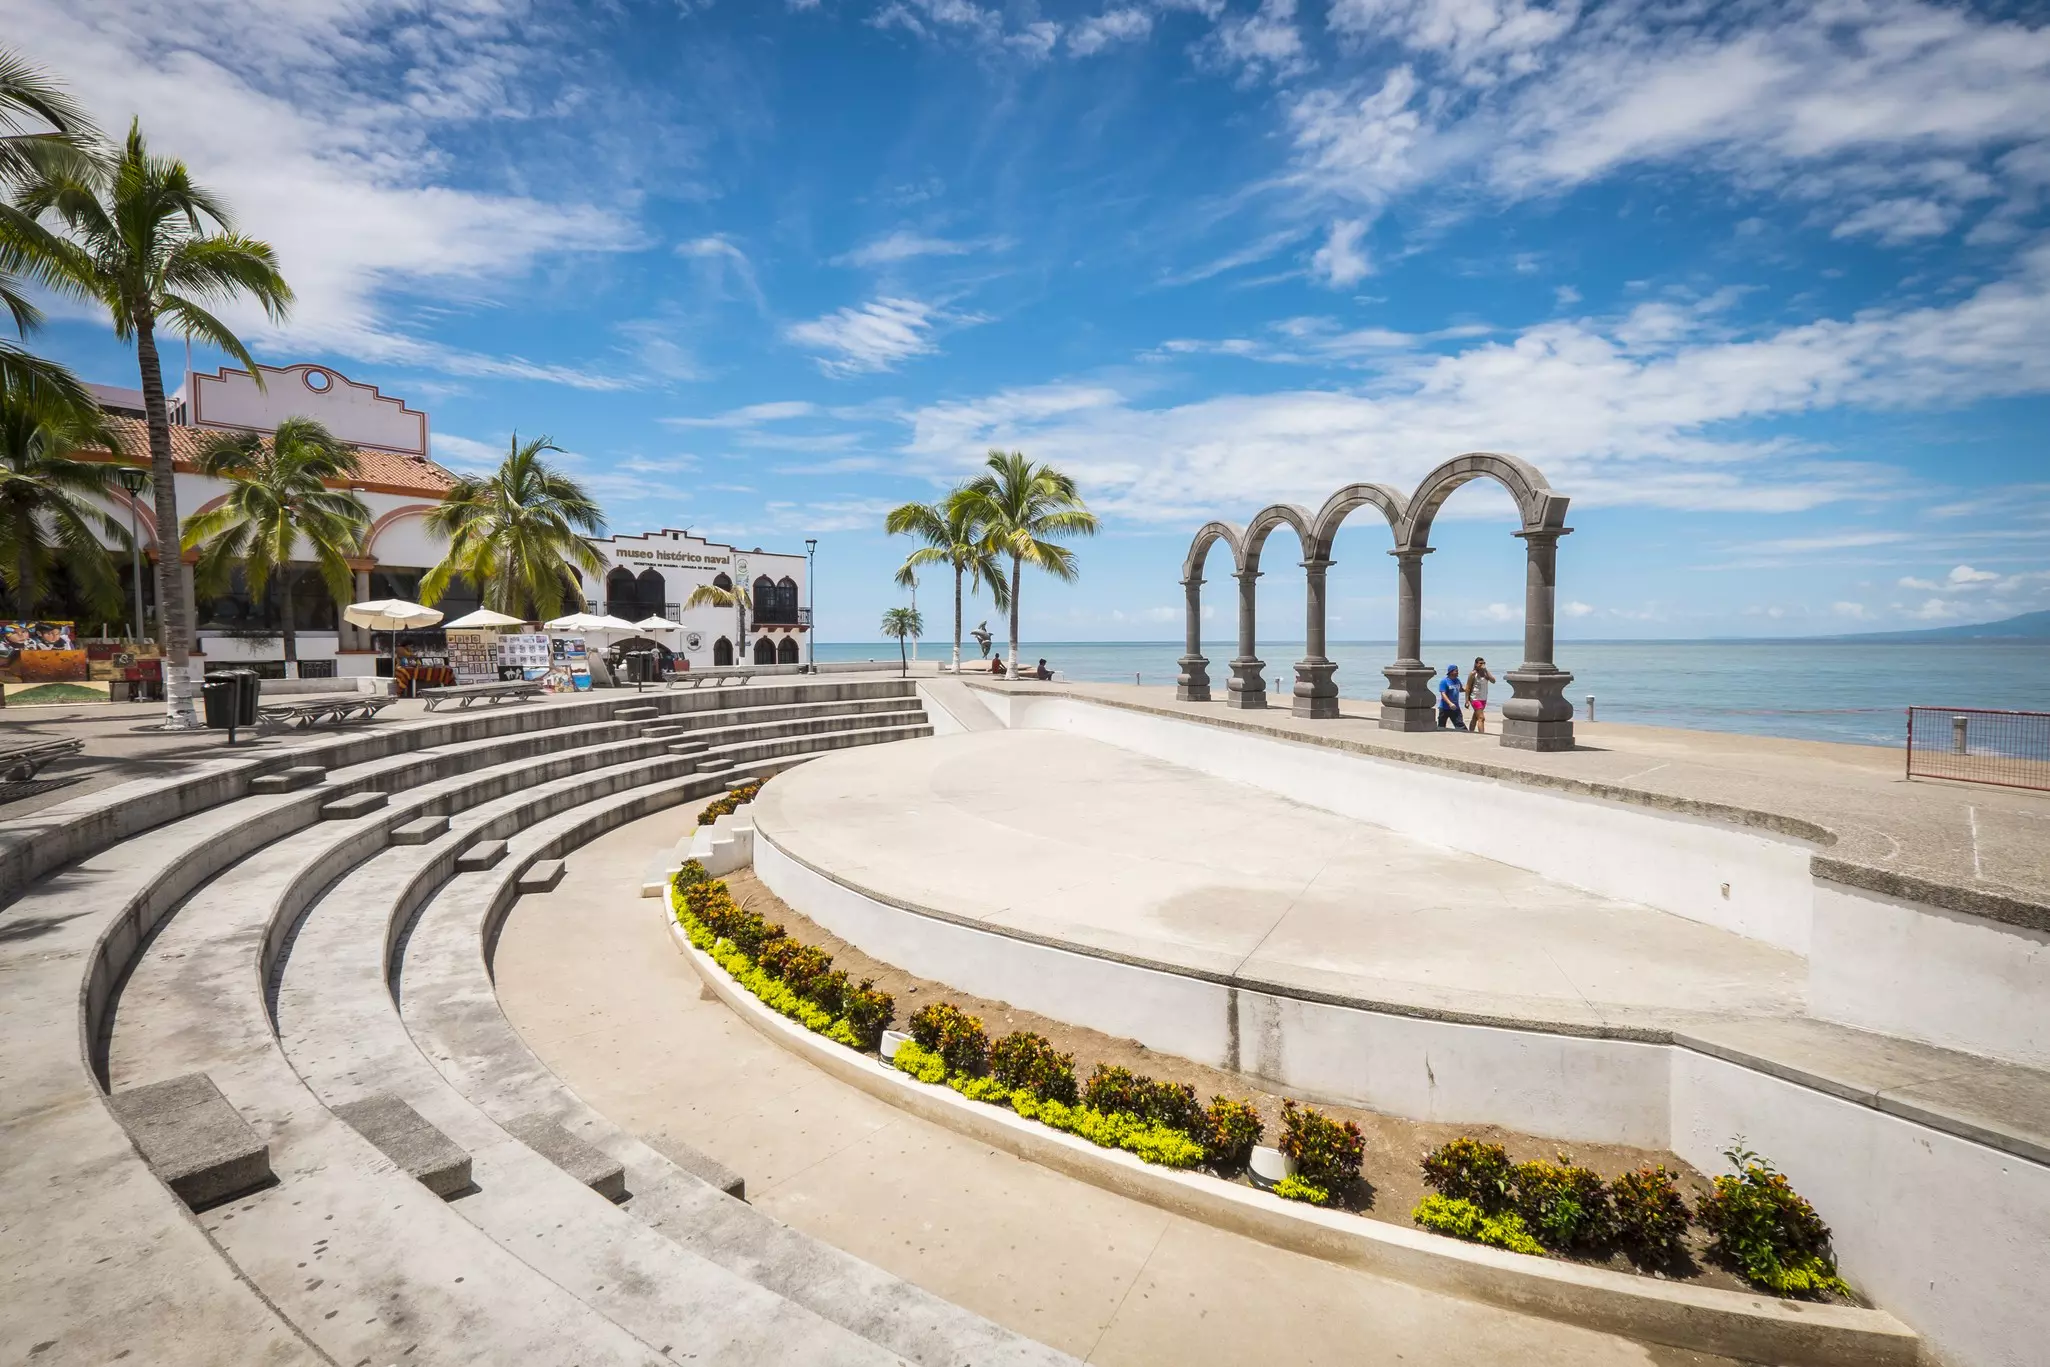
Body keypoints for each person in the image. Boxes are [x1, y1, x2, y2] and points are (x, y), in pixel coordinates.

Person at [1467, 656, 1495, 734]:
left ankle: (1470, 732)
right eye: (1480, 663)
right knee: (1481, 718)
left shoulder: (1485, 673)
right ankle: (1482, 734)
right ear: (1476, 664)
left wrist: (1486, 670)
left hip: (1483, 698)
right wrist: (1467, 700)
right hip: (1475, 698)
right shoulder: (1473, 674)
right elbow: (1468, 687)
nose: (1482, 665)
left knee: (1475, 717)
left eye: (1484, 663)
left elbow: (1493, 681)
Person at [1436, 663, 1466, 730]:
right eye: (1456, 671)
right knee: (1441, 726)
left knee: (1460, 725)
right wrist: (1450, 703)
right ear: (1451, 672)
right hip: (1445, 708)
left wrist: (1469, 689)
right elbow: (1443, 694)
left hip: (1455, 707)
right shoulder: (1444, 682)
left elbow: (1461, 689)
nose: (1457, 672)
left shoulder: (1457, 680)